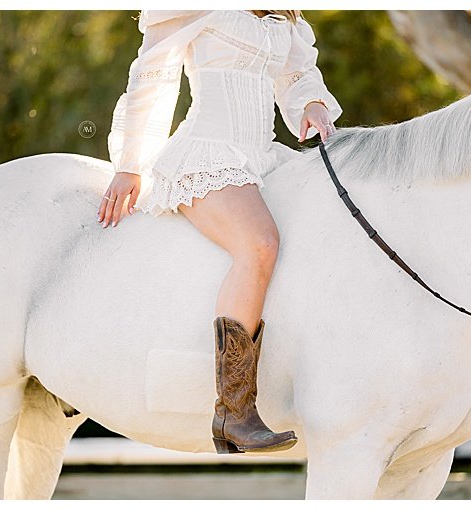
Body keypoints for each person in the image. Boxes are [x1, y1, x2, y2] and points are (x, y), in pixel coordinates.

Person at [101, 10, 340, 454]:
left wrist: (311, 105)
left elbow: (298, 74)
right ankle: (234, 410)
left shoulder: (283, 10)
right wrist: (131, 164)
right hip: (207, 156)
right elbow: (153, 76)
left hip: (264, 157)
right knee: (259, 244)